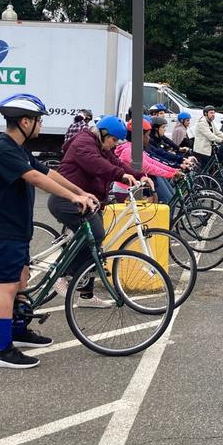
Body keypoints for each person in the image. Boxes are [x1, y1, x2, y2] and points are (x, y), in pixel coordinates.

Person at [0, 94, 97, 369]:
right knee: (6, 288)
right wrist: (73, 199)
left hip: (15, 228)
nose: (41, 125)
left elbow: (48, 172)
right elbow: (35, 178)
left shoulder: (19, 149)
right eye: (39, 121)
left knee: (21, 278)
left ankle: (17, 331)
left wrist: (80, 191)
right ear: (25, 122)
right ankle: (1, 350)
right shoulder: (2, 148)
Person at [53, 115, 151, 305]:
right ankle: (61, 275)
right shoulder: (84, 143)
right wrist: (121, 176)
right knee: (96, 234)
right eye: (113, 140)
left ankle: (86, 296)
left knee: (95, 247)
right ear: (104, 133)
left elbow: (116, 163)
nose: (114, 145)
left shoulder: (101, 145)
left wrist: (140, 175)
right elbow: (98, 165)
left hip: (88, 202)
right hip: (66, 199)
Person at [114, 118, 181, 203]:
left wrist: (173, 171)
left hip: (136, 186)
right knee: (166, 201)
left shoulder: (135, 148)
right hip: (126, 189)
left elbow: (152, 161)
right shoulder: (129, 151)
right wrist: (170, 174)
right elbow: (148, 167)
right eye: (147, 135)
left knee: (168, 198)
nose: (149, 138)